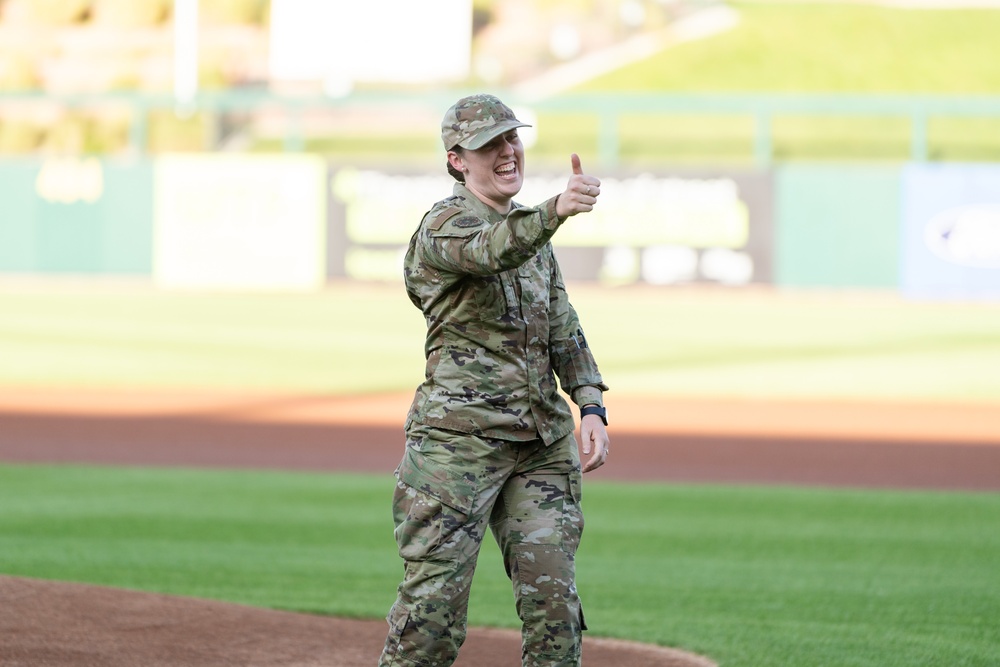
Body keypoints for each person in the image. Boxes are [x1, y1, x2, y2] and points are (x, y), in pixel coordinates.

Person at [379, 93, 610, 667]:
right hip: (458, 448)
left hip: (539, 446)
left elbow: (562, 324)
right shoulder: (445, 226)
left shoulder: (531, 233)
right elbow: (490, 252)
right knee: (431, 617)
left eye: (512, 138)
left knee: (554, 610)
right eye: (490, 145)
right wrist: (556, 209)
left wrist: (590, 405)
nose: (508, 151)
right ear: (458, 159)